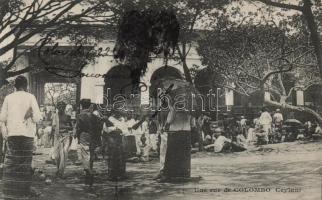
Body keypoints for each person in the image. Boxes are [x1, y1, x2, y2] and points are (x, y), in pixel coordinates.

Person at [0, 76, 42, 199]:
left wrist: (6, 132)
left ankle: (9, 192)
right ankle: (22, 192)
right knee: (24, 164)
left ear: (15, 86)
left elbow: (2, 118)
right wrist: (30, 115)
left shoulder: (8, 98)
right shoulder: (30, 97)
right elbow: (37, 118)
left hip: (12, 135)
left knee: (11, 163)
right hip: (27, 135)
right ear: (26, 85)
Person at [75, 99, 102, 185]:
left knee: (84, 156)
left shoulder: (80, 116)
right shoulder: (95, 116)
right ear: (89, 105)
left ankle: (89, 173)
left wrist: (77, 136)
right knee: (91, 156)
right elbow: (99, 128)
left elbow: (79, 128)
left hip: (84, 136)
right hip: (93, 137)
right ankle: (88, 179)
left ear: (81, 106)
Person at [48, 101, 73, 177]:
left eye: (62, 107)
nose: (61, 108)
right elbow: (53, 127)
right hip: (57, 136)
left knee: (64, 152)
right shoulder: (55, 116)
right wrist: (51, 137)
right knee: (57, 155)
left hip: (66, 136)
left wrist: (65, 128)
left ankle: (61, 172)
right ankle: (58, 169)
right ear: (57, 108)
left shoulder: (68, 116)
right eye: (59, 107)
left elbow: (71, 127)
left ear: (65, 107)